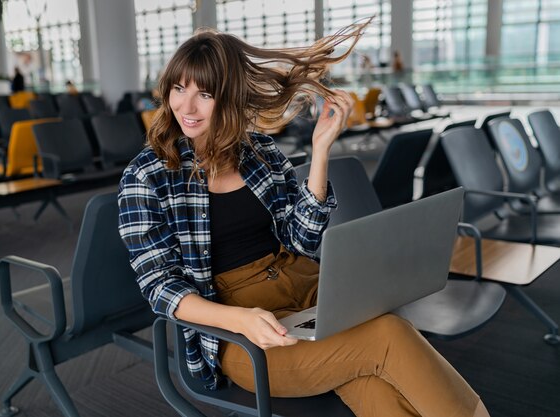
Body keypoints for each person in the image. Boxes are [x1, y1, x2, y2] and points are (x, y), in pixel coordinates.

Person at [118, 22, 490, 417]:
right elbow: (159, 287)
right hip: (237, 330)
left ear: (230, 96)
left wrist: (320, 151)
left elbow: (302, 242)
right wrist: (239, 319)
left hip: (308, 290)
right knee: (387, 336)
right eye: (179, 89)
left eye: (204, 93)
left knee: (368, 378)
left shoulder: (259, 151)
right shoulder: (148, 175)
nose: (186, 107)